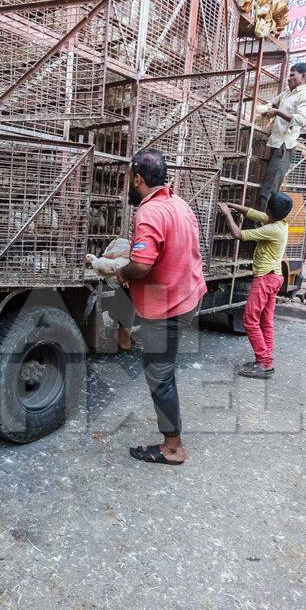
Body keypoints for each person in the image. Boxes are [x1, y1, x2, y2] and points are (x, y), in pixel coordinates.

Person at [115, 149, 207, 465]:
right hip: (188, 296)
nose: (130, 183)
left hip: (167, 307)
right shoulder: (179, 204)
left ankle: (172, 448)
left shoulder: (150, 212)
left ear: (138, 179)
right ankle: (124, 334)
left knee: (160, 374)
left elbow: (140, 265)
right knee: (161, 369)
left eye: (130, 178)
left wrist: (123, 271)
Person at [218, 193, 292, 379]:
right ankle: (266, 360)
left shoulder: (273, 229)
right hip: (275, 277)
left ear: (270, 210)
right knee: (266, 322)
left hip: (265, 279)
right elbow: (252, 213)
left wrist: (227, 214)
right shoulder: (281, 223)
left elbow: (238, 234)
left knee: (250, 320)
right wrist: (232, 205)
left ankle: (263, 363)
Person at [259, 62, 306, 210]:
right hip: (275, 143)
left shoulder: (305, 95)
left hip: (283, 147)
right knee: (265, 188)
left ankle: (261, 226)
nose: (288, 78)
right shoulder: (287, 92)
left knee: (268, 191)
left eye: (292, 75)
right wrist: (267, 109)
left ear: (303, 76)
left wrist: (276, 113)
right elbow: (272, 103)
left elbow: (301, 120)